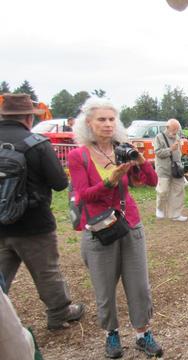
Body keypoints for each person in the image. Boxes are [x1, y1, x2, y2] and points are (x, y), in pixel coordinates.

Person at [68, 98, 163, 358]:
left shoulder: (123, 149)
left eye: (111, 119)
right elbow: (83, 195)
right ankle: (111, 334)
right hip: (99, 229)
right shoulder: (79, 156)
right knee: (104, 286)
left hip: (129, 223)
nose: (108, 124)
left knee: (139, 284)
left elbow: (152, 181)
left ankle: (143, 334)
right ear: (89, 123)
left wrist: (141, 161)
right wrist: (109, 181)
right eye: (101, 119)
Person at [0, 93, 85, 331]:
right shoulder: (36, 143)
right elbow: (59, 182)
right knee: (47, 271)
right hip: (33, 222)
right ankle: (59, 314)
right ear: (28, 117)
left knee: (1, 274)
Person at [153, 118, 187, 221]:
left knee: (178, 190)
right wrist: (170, 149)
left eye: (177, 129)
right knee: (163, 191)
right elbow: (158, 152)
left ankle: (175, 214)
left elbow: (179, 153)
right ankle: (160, 209)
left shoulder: (177, 137)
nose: (176, 131)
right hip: (163, 169)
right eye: (174, 129)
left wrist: (180, 164)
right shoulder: (159, 137)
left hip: (177, 170)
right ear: (167, 128)